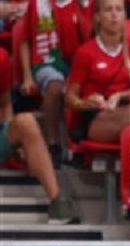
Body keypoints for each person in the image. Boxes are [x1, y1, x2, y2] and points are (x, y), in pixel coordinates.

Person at [0, 47, 78, 223]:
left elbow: (4, 104)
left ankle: (57, 202)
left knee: (26, 121)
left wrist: (12, 142)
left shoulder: (1, 58)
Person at [18, 0, 92, 162]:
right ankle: (53, 144)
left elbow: (91, 39)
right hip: (44, 63)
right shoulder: (36, 5)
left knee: (81, 86)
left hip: (76, 64)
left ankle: (77, 146)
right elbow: (24, 41)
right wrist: (27, 76)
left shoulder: (82, 4)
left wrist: (82, 10)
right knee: (55, 85)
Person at [65, 0, 130, 144]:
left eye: (119, 10)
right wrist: (84, 103)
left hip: (125, 107)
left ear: (125, 15)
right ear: (97, 17)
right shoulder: (85, 52)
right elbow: (70, 97)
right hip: (96, 116)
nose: (114, 15)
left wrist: (120, 96)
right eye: (108, 10)